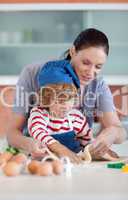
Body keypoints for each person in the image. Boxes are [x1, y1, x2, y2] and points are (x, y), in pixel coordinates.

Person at [7, 28, 127, 159]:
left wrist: (112, 133)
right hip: (37, 156)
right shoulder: (32, 73)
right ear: (73, 51)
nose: (90, 72)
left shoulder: (97, 84)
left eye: (98, 66)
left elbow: (120, 132)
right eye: (86, 63)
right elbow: (12, 133)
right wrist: (32, 144)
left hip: (76, 157)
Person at [27, 61, 92, 163]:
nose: (66, 106)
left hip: (73, 163)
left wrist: (89, 150)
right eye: (60, 100)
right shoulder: (39, 114)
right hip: (46, 161)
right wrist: (61, 149)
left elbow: (86, 138)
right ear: (46, 99)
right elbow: (38, 132)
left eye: (70, 99)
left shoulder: (75, 117)